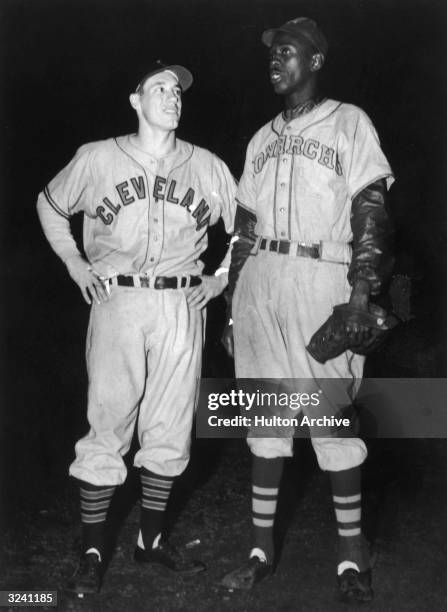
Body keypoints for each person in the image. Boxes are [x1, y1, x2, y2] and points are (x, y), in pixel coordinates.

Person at [37, 60, 236, 596]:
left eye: (177, 91)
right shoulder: (98, 157)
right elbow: (50, 205)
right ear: (135, 100)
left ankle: (150, 541)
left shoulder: (208, 166)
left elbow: (249, 229)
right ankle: (93, 550)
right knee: (108, 423)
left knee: (170, 428)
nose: (172, 97)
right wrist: (77, 264)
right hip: (118, 298)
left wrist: (220, 280)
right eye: (159, 88)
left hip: (181, 305)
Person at [221, 18, 394, 603]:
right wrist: (230, 308)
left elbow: (371, 212)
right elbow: (244, 232)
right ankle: (259, 552)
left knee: (333, 421)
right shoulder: (259, 139)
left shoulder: (349, 122)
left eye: (288, 52)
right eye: (272, 53)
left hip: (322, 276)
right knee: (267, 421)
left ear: (315, 61)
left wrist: (361, 295)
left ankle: (352, 556)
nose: (276, 60)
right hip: (261, 282)